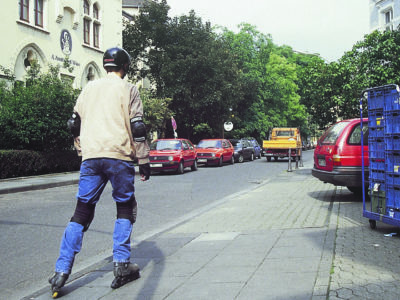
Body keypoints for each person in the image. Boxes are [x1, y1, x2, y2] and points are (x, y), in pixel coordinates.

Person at [49, 47, 151, 296]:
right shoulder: (129, 89)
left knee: (81, 212)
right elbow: (137, 127)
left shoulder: (88, 88)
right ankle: (121, 265)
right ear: (125, 67)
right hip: (119, 156)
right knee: (125, 207)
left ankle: (61, 271)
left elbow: (74, 124)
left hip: (92, 158)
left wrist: (82, 151)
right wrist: (144, 159)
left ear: (105, 65)